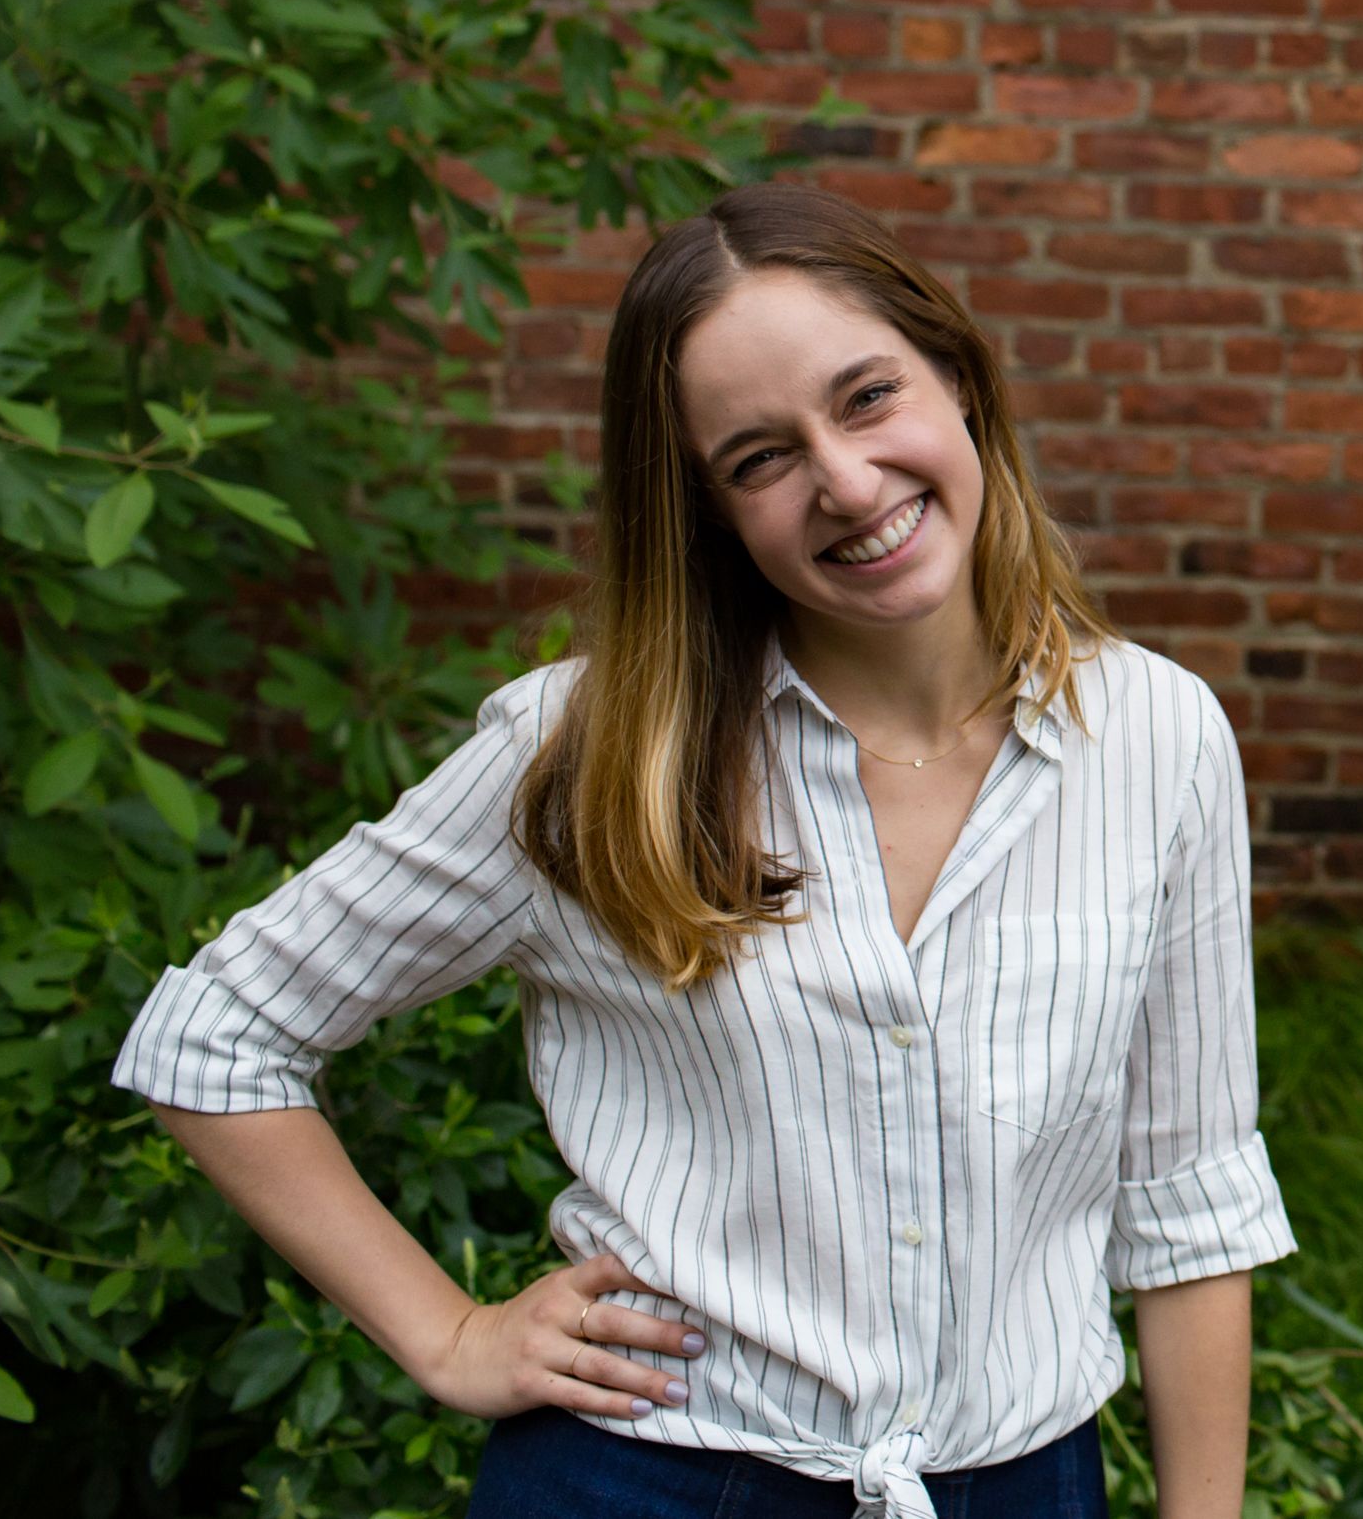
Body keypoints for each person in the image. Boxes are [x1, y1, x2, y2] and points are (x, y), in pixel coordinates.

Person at [112, 183, 1294, 1518]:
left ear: (958, 376)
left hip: (1024, 1483)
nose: (847, 483)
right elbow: (213, 1035)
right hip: (647, 1482)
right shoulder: (590, 754)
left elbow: (1189, 1201)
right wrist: (448, 1334)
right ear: (711, 509)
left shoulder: (1156, 738)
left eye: (866, 398)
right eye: (760, 458)